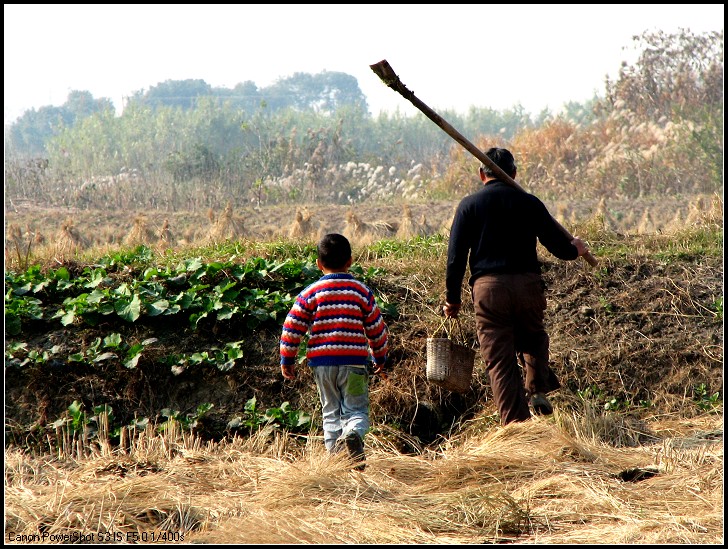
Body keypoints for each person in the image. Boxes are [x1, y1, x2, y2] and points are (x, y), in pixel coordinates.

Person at [443, 147, 590, 424]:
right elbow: (558, 246)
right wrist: (576, 249)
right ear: (513, 173)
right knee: (533, 337)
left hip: (489, 290)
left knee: (500, 360)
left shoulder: (469, 205)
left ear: (480, 174)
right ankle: (537, 388)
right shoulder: (529, 202)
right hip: (527, 285)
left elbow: (455, 259)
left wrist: (453, 299)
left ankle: (516, 425)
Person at [280, 233, 388, 470]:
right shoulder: (360, 292)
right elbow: (377, 328)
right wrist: (379, 356)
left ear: (319, 264)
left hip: (323, 366)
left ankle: (336, 465)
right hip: (355, 366)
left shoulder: (311, 293)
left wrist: (287, 359)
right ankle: (354, 434)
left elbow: (292, 326)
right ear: (350, 261)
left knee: (330, 413)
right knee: (356, 410)